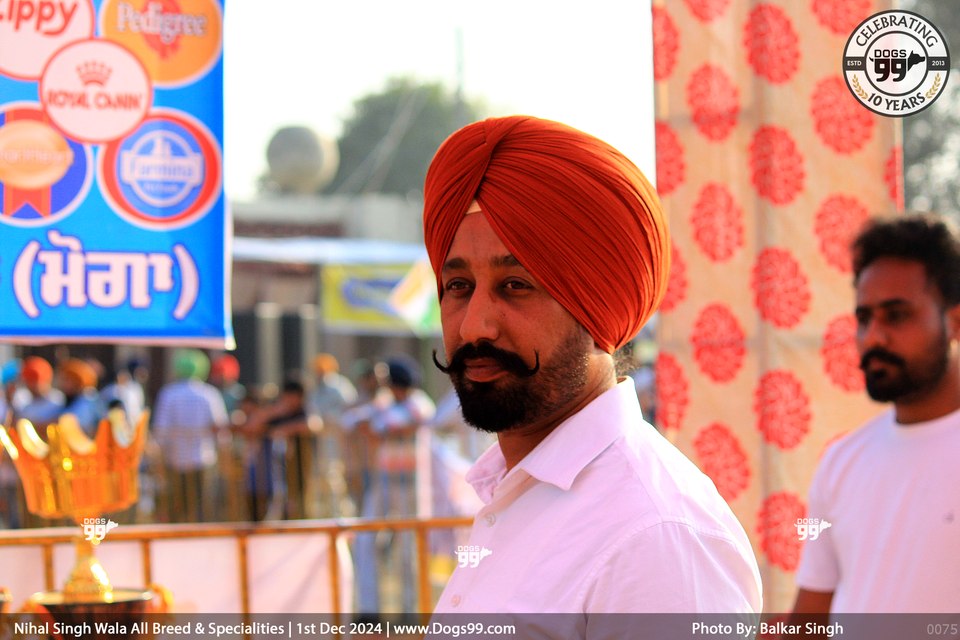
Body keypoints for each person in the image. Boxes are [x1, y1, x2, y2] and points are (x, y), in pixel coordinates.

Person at [423, 115, 762, 617]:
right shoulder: (516, 490)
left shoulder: (653, 536)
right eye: (459, 287)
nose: (475, 327)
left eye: (515, 286)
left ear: (595, 305)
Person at [791, 214, 960, 619]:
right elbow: (809, 620)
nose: (873, 338)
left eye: (896, 315)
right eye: (864, 318)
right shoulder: (842, 462)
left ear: (955, 321)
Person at [151, 349, 229, 522]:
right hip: (203, 456)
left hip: (174, 457)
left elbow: (160, 428)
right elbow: (220, 427)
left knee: (177, 503)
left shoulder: (168, 393)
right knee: (201, 504)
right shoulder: (209, 393)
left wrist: (158, 454)